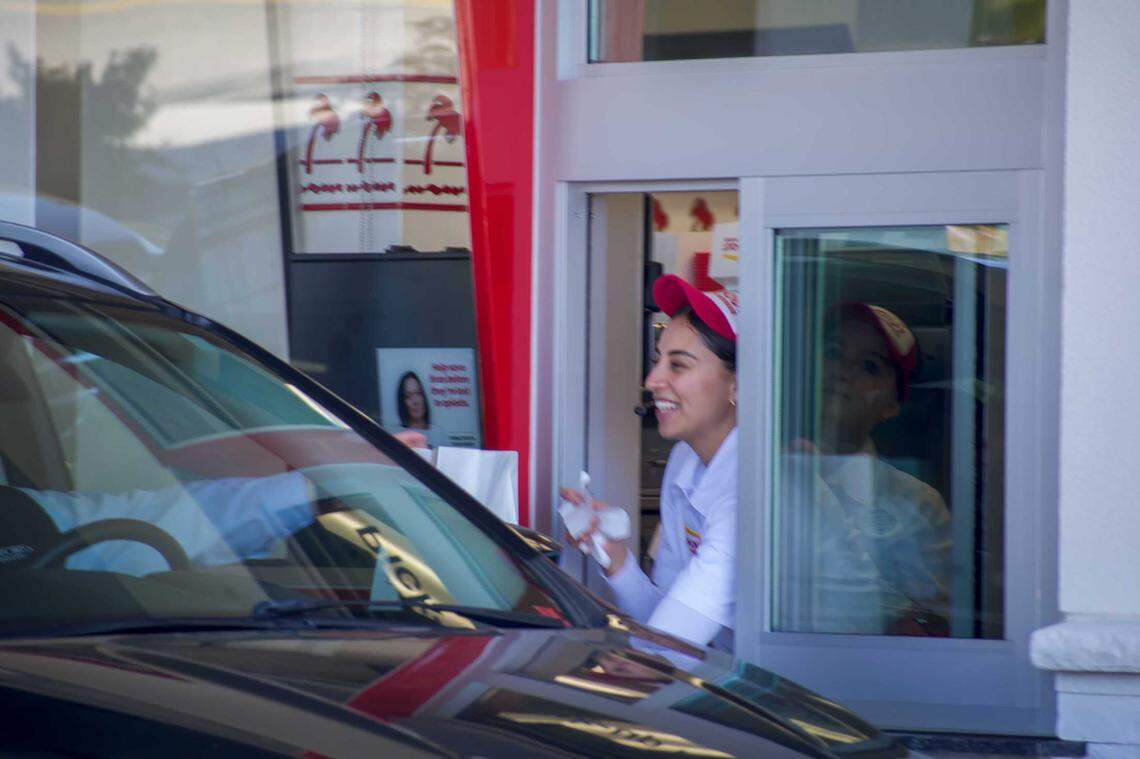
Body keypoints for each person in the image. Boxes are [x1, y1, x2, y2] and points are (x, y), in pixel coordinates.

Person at [562, 274, 739, 650]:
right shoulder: (684, 460)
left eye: (678, 365)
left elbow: (667, 651)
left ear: (738, 385)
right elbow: (667, 621)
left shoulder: (752, 492)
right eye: (658, 360)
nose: (652, 379)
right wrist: (616, 560)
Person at [781, 302, 951, 636]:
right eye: (832, 352)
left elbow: (931, 629)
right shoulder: (762, 471)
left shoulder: (917, 504)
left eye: (869, 367)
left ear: (892, 405)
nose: (842, 371)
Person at [396, 371, 445, 448]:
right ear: (402, 402)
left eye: (419, 394)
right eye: (408, 396)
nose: (415, 401)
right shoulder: (397, 436)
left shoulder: (439, 434)